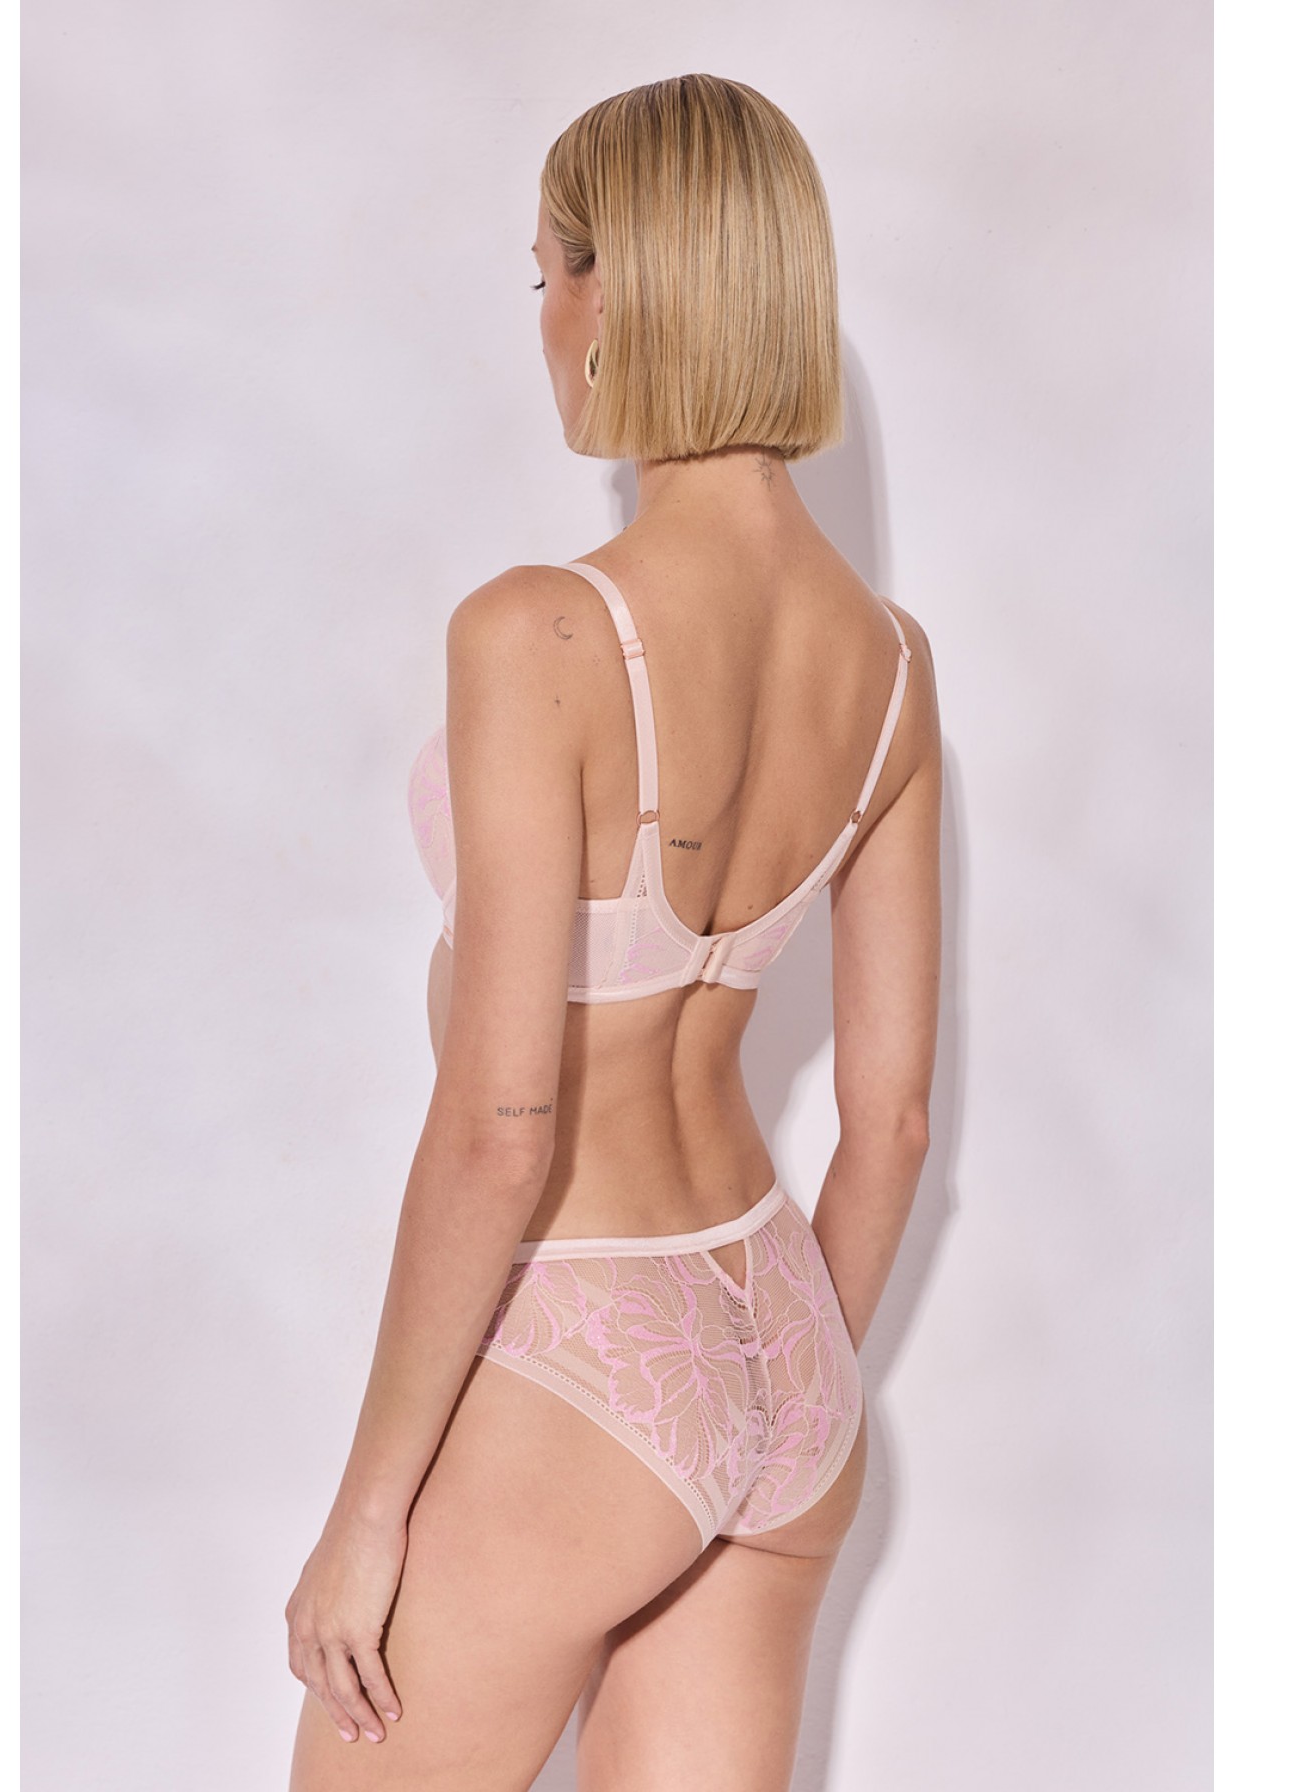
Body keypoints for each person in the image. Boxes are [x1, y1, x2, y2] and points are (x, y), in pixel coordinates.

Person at [286, 72, 941, 1791]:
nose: (543, 320)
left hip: (586, 1348)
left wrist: (370, 1514)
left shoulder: (541, 635)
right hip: (785, 1348)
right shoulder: (889, 663)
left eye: (547, 271)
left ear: (618, 288)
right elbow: (892, 1125)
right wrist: (766, 1402)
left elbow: (502, 1134)